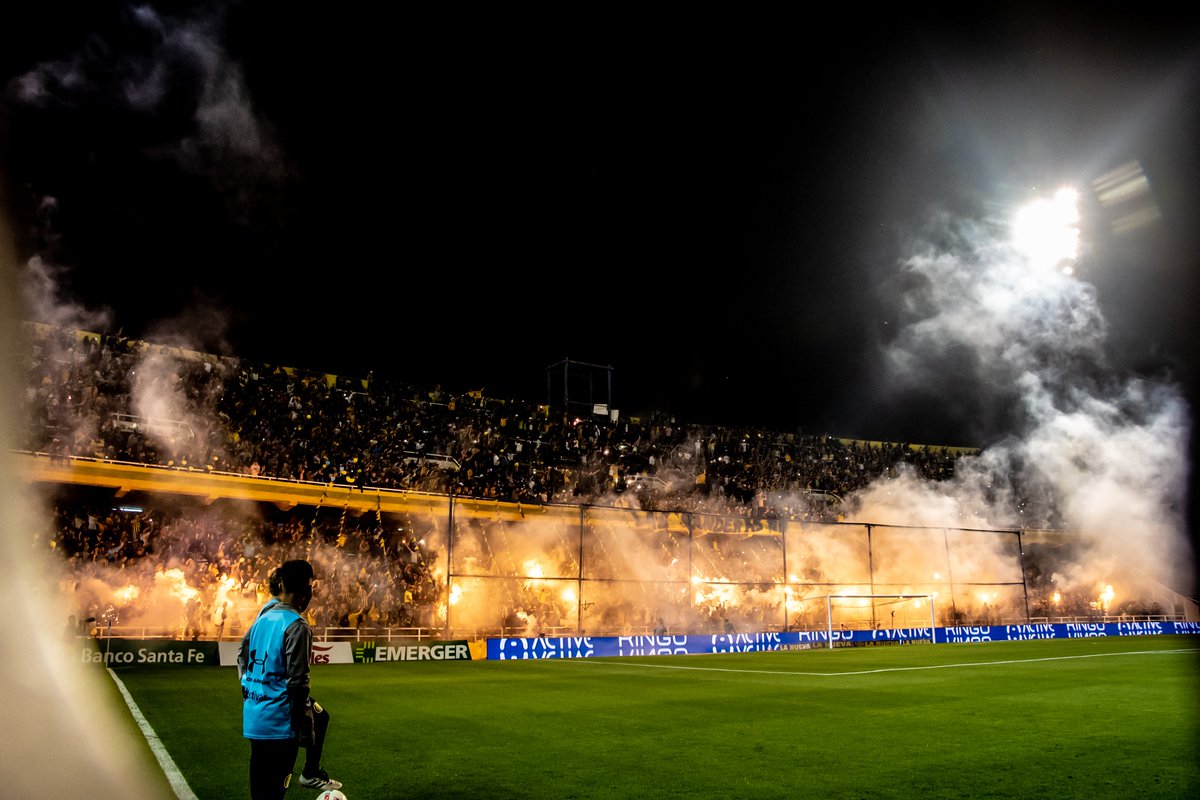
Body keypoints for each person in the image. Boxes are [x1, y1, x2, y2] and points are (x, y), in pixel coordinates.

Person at [237, 560, 339, 799]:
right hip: (280, 722)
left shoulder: (264, 617)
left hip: (256, 715)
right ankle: (310, 772)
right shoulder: (296, 626)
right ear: (307, 590)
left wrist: (247, 685)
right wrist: (301, 727)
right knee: (273, 793)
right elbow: (298, 683)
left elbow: (244, 650)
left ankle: (311, 771)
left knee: (260, 792)